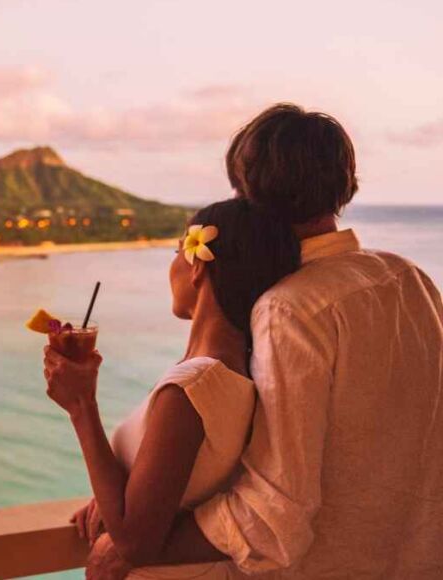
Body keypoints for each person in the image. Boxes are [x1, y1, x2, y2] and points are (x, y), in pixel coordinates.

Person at [56, 104, 443, 579]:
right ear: (344, 186)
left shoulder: (288, 310)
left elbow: (276, 514)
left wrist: (138, 542)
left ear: (247, 191)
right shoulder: (410, 279)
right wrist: (140, 488)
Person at [44, 197, 300, 579]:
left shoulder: (192, 387)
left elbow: (135, 542)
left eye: (177, 251)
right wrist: (112, 497)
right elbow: (184, 486)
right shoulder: (239, 373)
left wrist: (82, 405)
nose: (173, 265)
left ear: (197, 266)